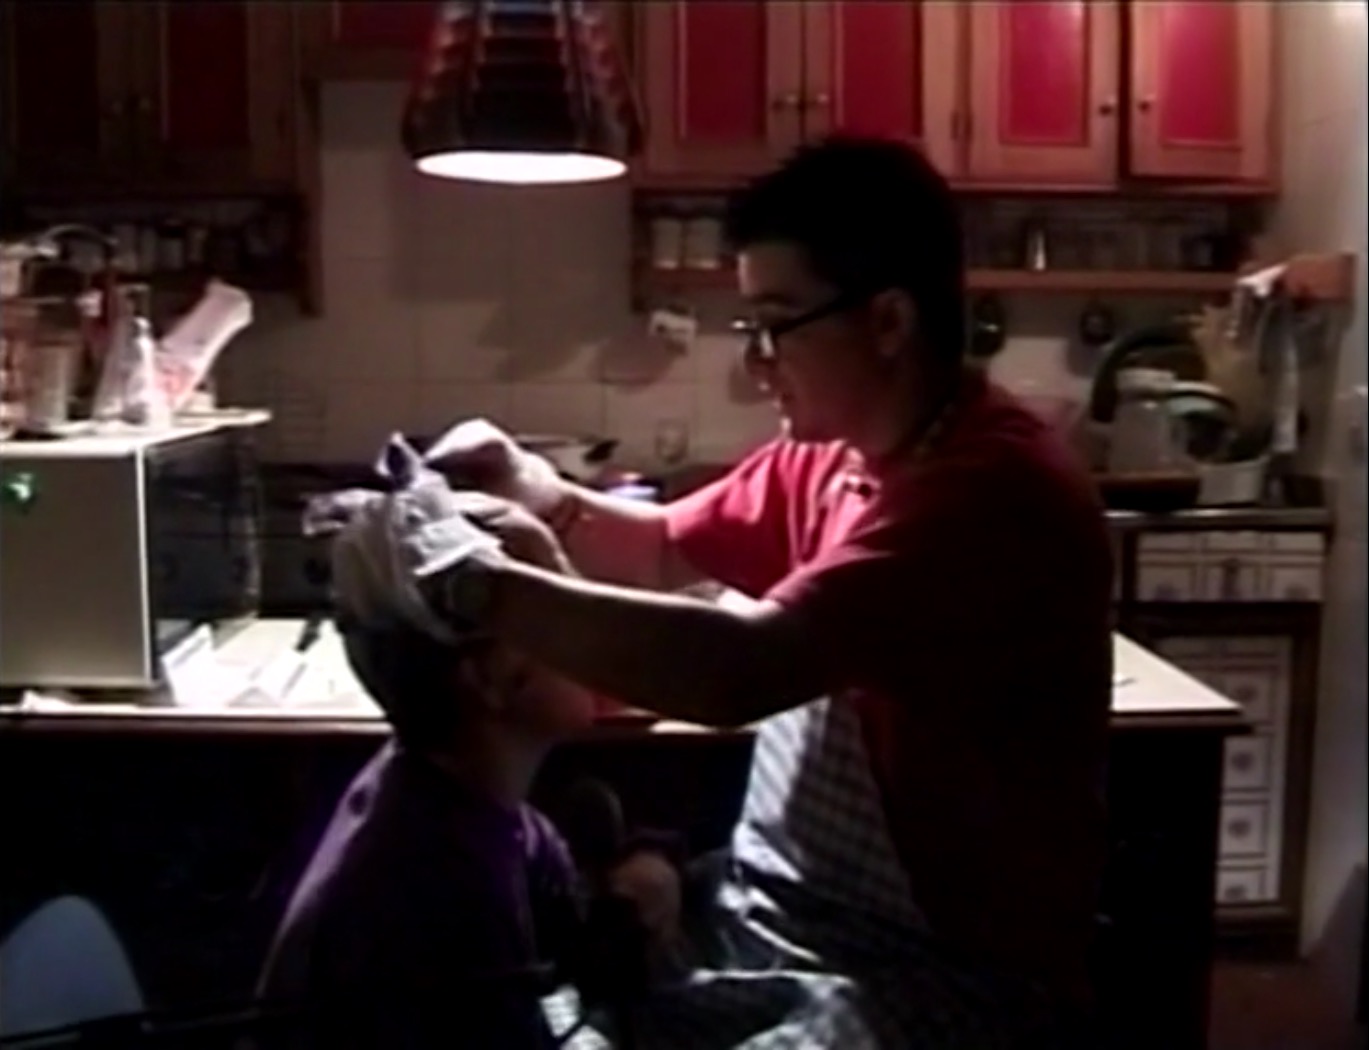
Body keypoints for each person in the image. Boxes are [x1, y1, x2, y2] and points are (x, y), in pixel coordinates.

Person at [419, 137, 1115, 1047]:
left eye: (773, 324)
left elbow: (734, 671)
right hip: (790, 918)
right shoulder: (830, 453)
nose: (755, 362)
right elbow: (661, 547)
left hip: (946, 969)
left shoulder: (987, 492)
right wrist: (535, 487)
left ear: (888, 321)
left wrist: (473, 586)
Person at [255, 437, 684, 1049]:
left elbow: (565, 910)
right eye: (566, 607)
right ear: (492, 678)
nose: (593, 636)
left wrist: (645, 864)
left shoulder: (465, 797)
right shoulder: (435, 891)